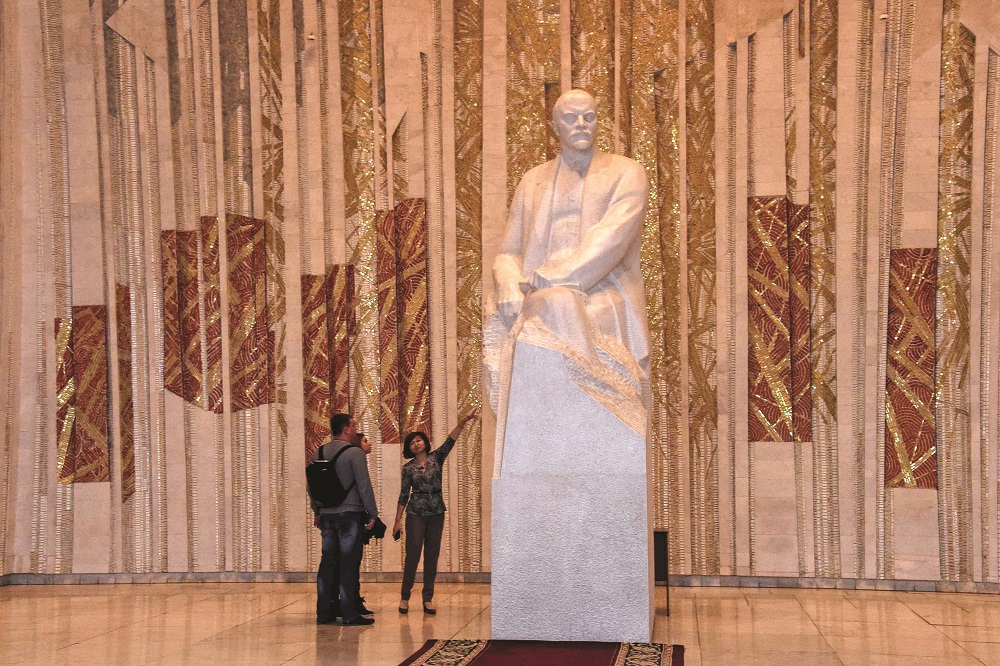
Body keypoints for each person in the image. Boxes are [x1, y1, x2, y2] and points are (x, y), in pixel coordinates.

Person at [484, 89, 650, 443]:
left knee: (557, 302)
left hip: (603, 291)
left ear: (598, 121)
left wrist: (557, 278)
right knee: (550, 305)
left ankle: (580, 414)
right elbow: (508, 252)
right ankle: (575, 413)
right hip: (536, 289)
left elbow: (613, 238)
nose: (581, 124)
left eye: (589, 116)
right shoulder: (532, 181)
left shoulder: (627, 172)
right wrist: (509, 284)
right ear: (554, 125)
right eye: (571, 118)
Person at [394, 411, 478, 614]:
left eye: (418, 440)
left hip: (436, 512)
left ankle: (427, 598)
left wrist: (463, 421)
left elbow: (450, 440)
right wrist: (397, 521)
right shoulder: (408, 469)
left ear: (425, 442)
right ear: (409, 448)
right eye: (412, 442)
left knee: (432, 556)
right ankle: (405, 597)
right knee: (413, 556)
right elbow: (404, 495)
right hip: (416, 513)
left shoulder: (436, 458)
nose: (416, 444)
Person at [312, 413, 379, 626]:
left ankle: (324, 613)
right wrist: (373, 513)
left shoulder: (318, 452)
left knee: (327, 563)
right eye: (354, 425)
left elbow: (313, 485)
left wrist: (317, 510)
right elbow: (363, 485)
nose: (355, 429)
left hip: (327, 515)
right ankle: (349, 614)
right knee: (348, 564)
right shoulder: (354, 453)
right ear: (347, 429)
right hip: (349, 514)